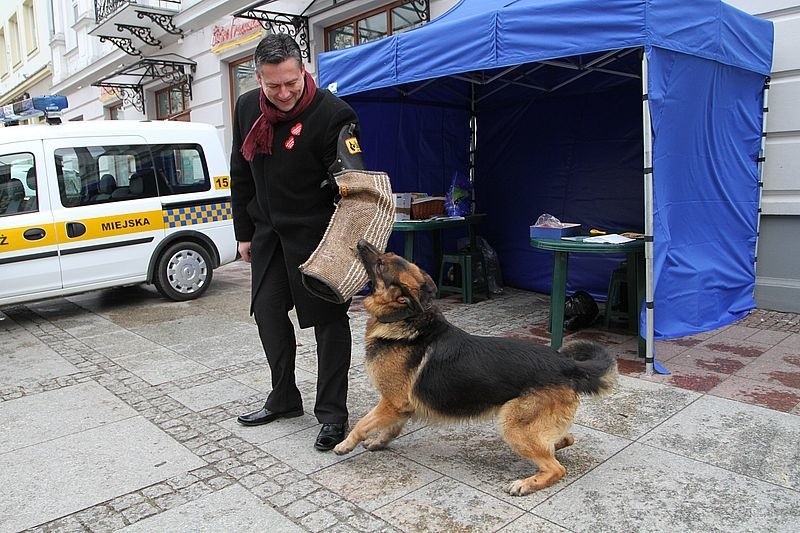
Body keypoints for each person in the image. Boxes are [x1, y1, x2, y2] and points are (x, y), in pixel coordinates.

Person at [230, 33, 360, 451]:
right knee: (267, 314)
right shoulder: (248, 106)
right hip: (268, 235)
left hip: (319, 239)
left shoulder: (334, 114)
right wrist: (244, 233)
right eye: (273, 86)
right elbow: (241, 170)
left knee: (328, 325)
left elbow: (354, 185)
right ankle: (284, 398)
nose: (284, 93)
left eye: (292, 82)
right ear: (259, 78)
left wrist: (350, 246)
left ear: (303, 70)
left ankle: (332, 415)